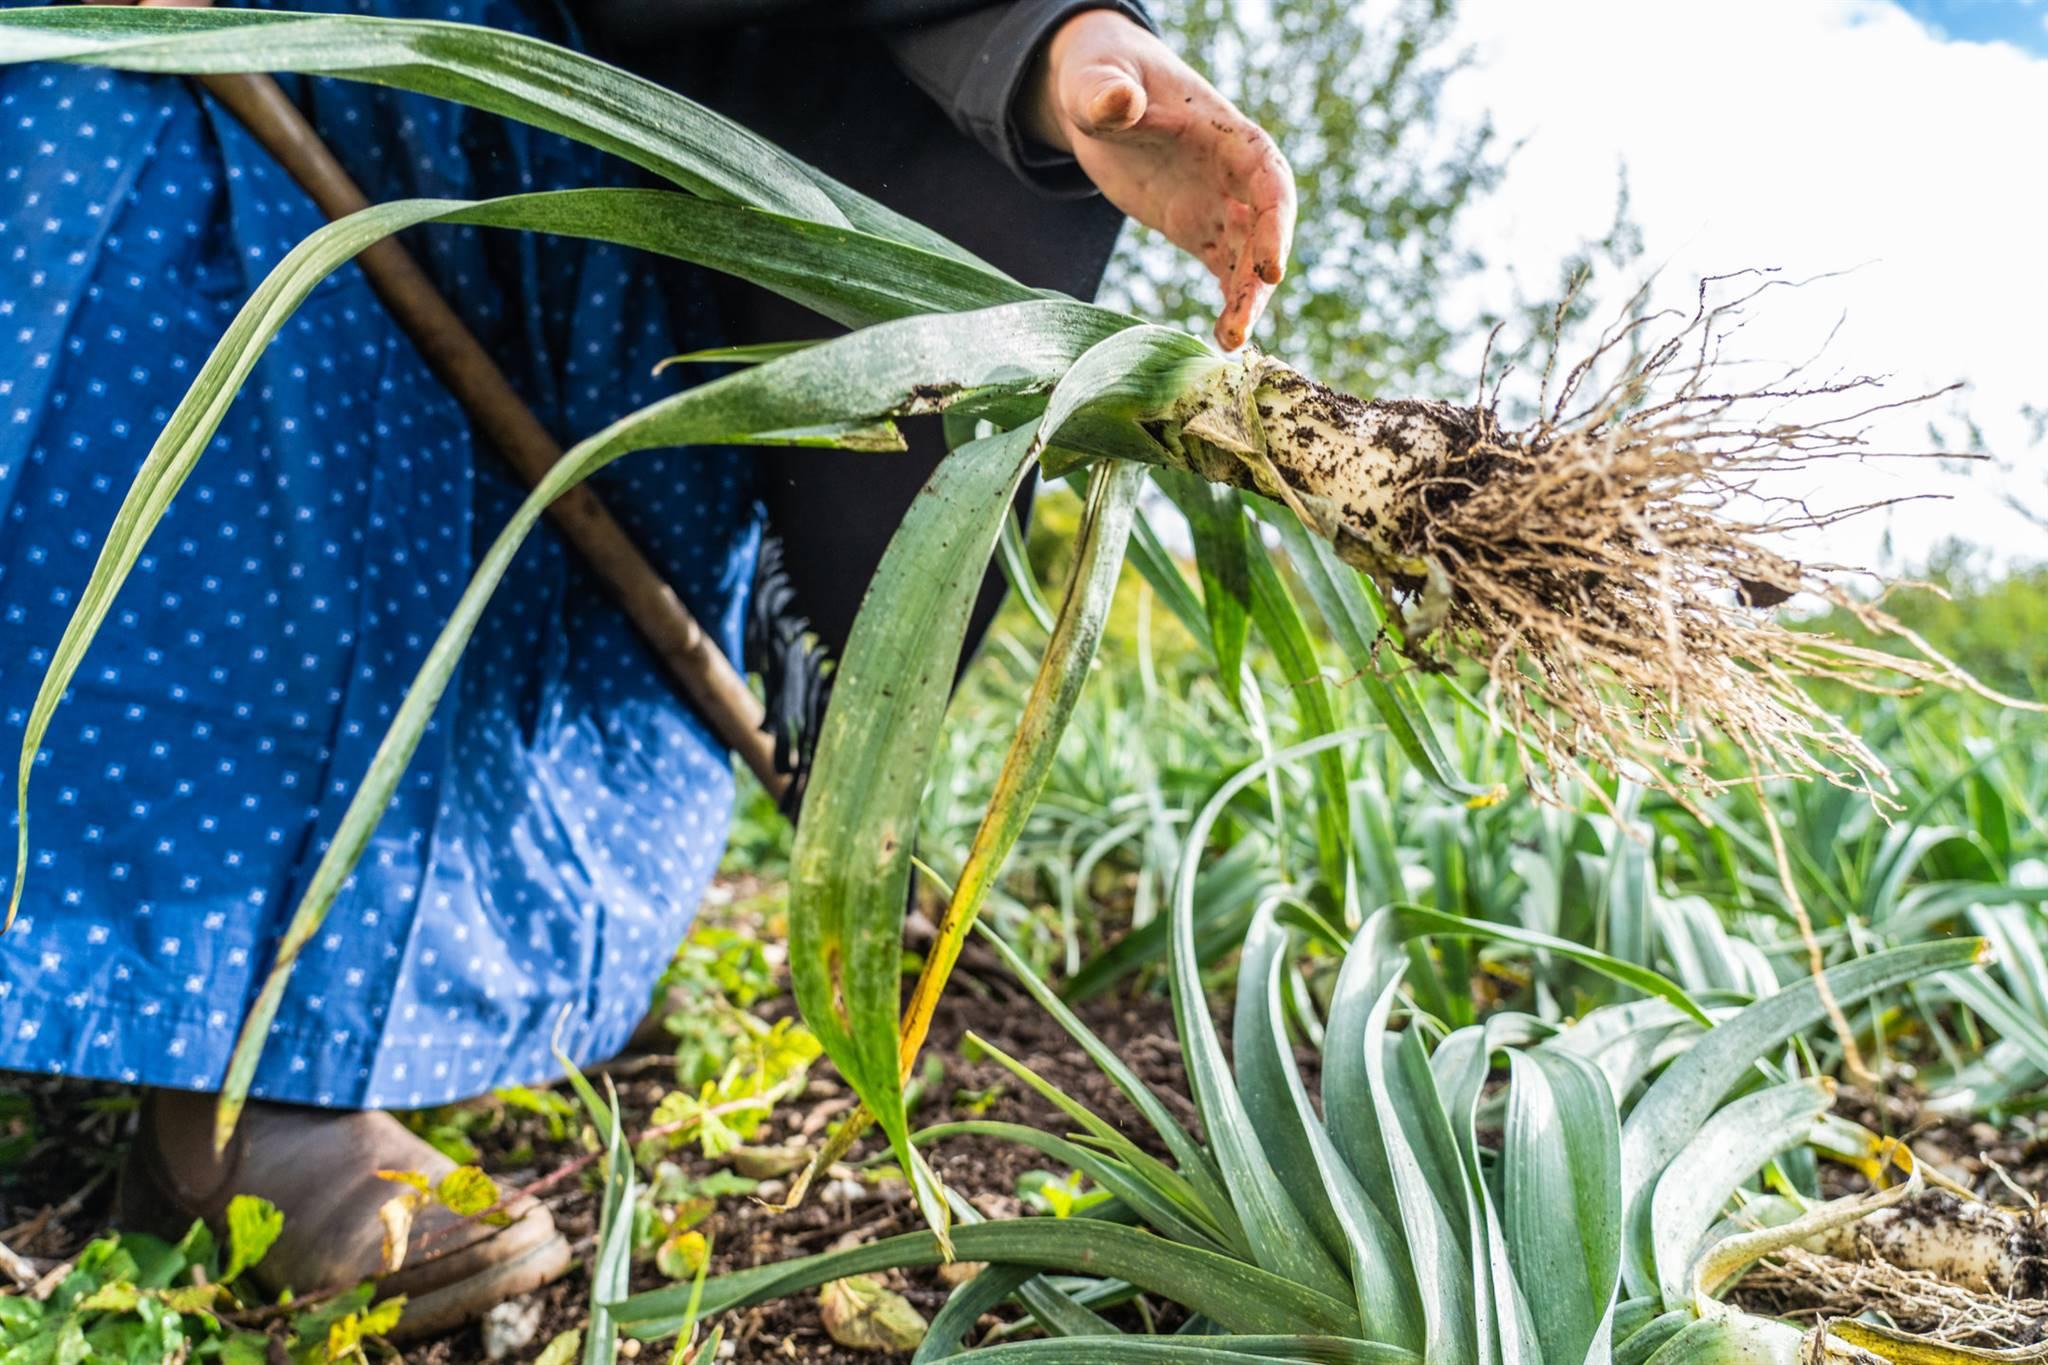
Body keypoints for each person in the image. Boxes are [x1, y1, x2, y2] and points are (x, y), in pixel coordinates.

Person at [0, 0, 1294, 1334]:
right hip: (192, 66)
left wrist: (1044, 46)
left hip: (533, 113)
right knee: (233, 436)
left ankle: (379, 1022)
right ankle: (223, 1065)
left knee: (488, 569)